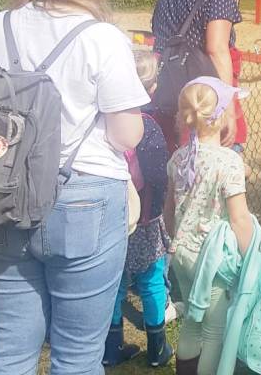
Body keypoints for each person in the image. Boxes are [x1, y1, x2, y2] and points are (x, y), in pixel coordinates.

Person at [0, 0, 148, 374]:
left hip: (3, 197)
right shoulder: (102, 37)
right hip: (83, 197)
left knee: (8, 351)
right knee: (77, 357)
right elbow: (125, 133)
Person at [166, 77, 256, 375]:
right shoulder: (229, 162)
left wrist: (175, 238)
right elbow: (239, 218)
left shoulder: (178, 158)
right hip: (212, 259)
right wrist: (251, 256)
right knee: (214, 330)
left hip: (182, 254)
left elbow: (169, 210)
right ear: (222, 117)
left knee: (192, 322)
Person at [103, 51, 174, 368]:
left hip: (114, 219)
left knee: (116, 282)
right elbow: (158, 176)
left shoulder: (106, 122)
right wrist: (158, 209)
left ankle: (112, 346)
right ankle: (157, 348)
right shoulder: (149, 128)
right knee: (151, 280)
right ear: (152, 87)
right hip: (145, 218)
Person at [152, 0, 243, 153]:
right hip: (208, 100)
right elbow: (216, 49)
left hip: (175, 98)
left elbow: (159, 46)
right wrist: (227, 108)